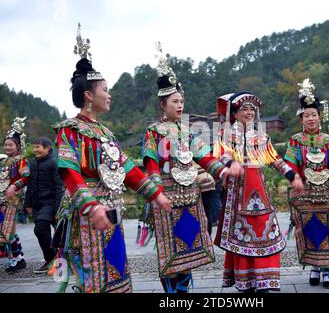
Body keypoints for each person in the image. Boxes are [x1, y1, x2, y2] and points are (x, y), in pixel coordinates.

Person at [51, 25, 171, 293]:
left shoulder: (105, 133)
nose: (110, 94)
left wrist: (156, 195)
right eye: (105, 89)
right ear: (89, 95)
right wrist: (92, 207)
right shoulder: (70, 130)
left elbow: (128, 169)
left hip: (111, 215)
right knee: (91, 278)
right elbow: (70, 173)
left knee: (115, 273)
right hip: (87, 216)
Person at [142, 44, 243, 293]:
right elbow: (150, 163)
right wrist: (156, 193)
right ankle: (172, 294)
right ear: (163, 104)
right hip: (166, 198)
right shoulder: (153, 132)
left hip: (190, 197)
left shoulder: (187, 132)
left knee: (188, 249)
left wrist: (224, 170)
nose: (180, 105)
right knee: (169, 252)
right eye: (175, 101)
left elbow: (204, 156)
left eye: (182, 101)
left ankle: (185, 293)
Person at [213, 91, 303, 293]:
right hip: (237, 194)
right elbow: (222, 155)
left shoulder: (261, 137)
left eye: (251, 109)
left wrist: (292, 176)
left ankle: (264, 281)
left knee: (264, 234)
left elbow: (276, 160)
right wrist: (232, 163)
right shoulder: (226, 135)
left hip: (260, 193)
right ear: (235, 114)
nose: (249, 112)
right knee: (242, 236)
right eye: (244, 108)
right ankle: (246, 282)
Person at [284, 79, 329, 289]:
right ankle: (313, 266)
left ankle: (327, 270)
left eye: (314, 114)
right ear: (301, 118)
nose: (310, 118)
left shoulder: (328, 141)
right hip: (304, 193)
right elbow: (290, 161)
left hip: (326, 192)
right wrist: (295, 177)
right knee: (309, 229)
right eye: (306, 115)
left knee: (327, 229)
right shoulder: (295, 140)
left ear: (319, 117)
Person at [24, 137, 64, 274]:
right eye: (34, 147)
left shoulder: (54, 163)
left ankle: (59, 261)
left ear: (47, 148)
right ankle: (51, 260)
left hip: (50, 202)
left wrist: (58, 207)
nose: (35, 150)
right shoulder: (32, 163)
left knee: (40, 229)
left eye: (38, 147)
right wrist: (27, 203)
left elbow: (59, 187)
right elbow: (30, 184)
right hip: (37, 204)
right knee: (43, 232)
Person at [0, 117, 29, 273]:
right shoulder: (3, 162)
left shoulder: (21, 161)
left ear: (18, 146)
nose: (7, 147)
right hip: (2, 199)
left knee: (8, 230)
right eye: (5, 144)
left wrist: (15, 186)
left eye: (10, 145)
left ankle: (17, 260)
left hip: (13, 198)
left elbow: (26, 177)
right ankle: (18, 258)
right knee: (6, 231)